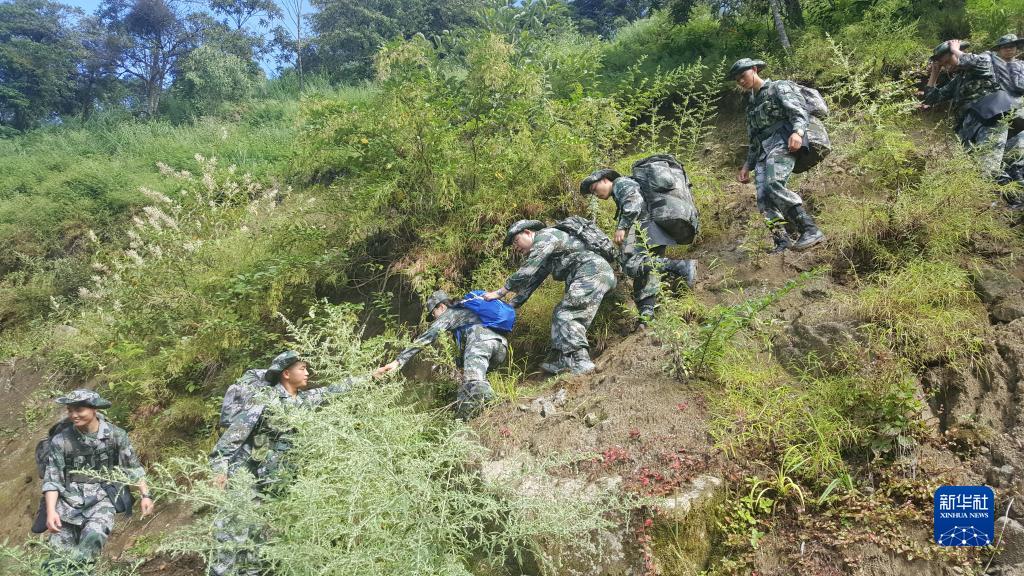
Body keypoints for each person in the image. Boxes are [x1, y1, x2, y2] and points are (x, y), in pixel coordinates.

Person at [207, 350, 368, 576]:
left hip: (270, 484)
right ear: (286, 373)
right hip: (243, 480)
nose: (307, 372)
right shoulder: (265, 400)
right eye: (302, 368)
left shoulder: (301, 401)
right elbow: (233, 437)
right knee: (232, 538)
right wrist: (220, 470)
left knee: (259, 544)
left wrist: (373, 375)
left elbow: (334, 390)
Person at [482, 219, 616, 376]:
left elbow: (527, 270)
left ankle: (582, 361)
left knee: (567, 314)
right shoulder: (546, 254)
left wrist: (500, 292)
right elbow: (532, 281)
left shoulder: (546, 237)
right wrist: (510, 305)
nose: (516, 247)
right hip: (589, 274)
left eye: (516, 241)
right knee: (559, 312)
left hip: (593, 271)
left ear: (528, 232)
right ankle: (559, 359)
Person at [41, 389, 153, 575]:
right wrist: (51, 511)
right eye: (70, 410)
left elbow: (133, 468)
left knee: (91, 543)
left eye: (79, 410)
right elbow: (53, 479)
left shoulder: (116, 435)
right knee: (57, 562)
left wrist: (145, 495)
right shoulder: (60, 441)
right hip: (67, 504)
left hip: (102, 500)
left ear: (94, 409)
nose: (74, 415)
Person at [729, 58, 826, 253]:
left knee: (774, 183)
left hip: (783, 141)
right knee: (763, 197)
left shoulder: (778, 87)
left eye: (743, 76)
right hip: (763, 151)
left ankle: (810, 229)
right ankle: (781, 241)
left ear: (754, 69)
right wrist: (747, 165)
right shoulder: (750, 105)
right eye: (737, 79)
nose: (741, 81)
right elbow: (754, 138)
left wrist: (798, 132)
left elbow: (798, 111)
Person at [580, 162, 698, 324]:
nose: (595, 194)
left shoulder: (620, 183)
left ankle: (681, 266)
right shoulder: (619, 189)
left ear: (605, 180)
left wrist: (622, 227)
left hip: (642, 228)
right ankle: (647, 315)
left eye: (594, 189)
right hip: (652, 229)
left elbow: (634, 201)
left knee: (631, 264)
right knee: (646, 272)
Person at [373, 290, 509, 419]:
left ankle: (500, 405)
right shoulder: (465, 314)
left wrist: (397, 362)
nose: (434, 318)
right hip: (501, 347)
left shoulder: (450, 314)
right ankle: (469, 418)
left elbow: (427, 337)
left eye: (433, 314)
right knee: (469, 386)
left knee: (474, 382)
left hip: (481, 342)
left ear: (442, 307)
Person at [922, 39, 1024, 200]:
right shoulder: (958, 80)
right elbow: (931, 98)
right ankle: (1016, 203)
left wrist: (955, 50)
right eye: (943, 64)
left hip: (991, 122)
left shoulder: (985, 62)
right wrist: (935, 73)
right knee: (999, 172)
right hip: (973, 131)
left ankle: (1014, 202)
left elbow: (976, 61)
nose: (946, 66)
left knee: (990, 171)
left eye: (947, 61)